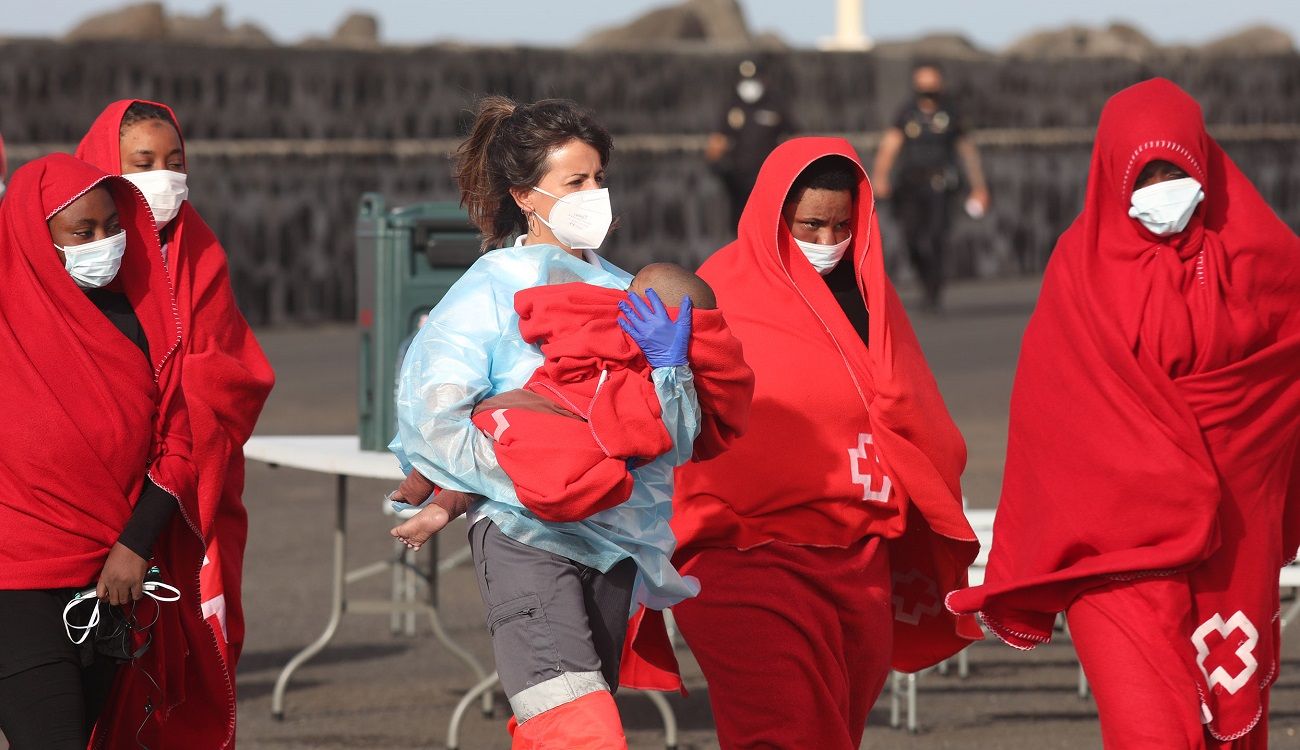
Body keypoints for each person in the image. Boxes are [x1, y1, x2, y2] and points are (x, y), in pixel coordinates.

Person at [947, 79, 1300, 748]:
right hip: (1113, 549)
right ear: (1111, 173)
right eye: (1146, 173)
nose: (1164, 187)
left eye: (1176, 169)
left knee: (1230, 734)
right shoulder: (1079, 274)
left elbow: (1285, 377)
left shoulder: (1261, 255)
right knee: (1150, 732)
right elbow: (1058, 414)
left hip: (1233, 540)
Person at [389, 96, 746, 748]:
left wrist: (674, 371)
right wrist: (536, 469)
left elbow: (677, 440)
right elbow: (431, 418)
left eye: (599, 179)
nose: (594, 195)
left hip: (615, 546)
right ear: (525, 194)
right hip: (528, 539)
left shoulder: (632, 292)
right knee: (578, 729)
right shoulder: (489, 290)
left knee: (566, 722)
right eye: (575, 182)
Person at [671, 137, 981, 749]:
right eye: (810, 224)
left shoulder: (871, 297)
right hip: (739, 556)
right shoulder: (717, 290)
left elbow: (914, 409)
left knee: (836, 730)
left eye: (842, 224)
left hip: (857, 554)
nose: (826, 239)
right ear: (775, 217)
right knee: (778, 732)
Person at [0, 153, 232, 748]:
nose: (103, 244)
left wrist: (134, 545)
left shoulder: (145, 322)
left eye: (111, 227)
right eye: (82, 233)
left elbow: (177, 441)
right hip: (14, 584)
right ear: (33, 236)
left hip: (111, 583)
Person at [76, 99, 276, 678]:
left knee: (189, 665)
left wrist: (170, 397)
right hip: (98, 488)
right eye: (142, 164)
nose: (162, 179)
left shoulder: (202, 251)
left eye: (174, 161)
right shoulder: (87, 255)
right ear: (103, 166)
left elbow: (237, 375)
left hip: (188, 483)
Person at [390, 262, 750, 547]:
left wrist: (670, 367)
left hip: (541, 414)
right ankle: (431, 490)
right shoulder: (514, 282)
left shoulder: (655, 356)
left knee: (500, 440)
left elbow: (675, 438)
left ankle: (433, 498)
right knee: (521, 453)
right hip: (551, 417)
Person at [872, 62, 989, 311]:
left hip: (940, 187)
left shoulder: (951, 114)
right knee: (912, 238)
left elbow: (968, 152)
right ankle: (925, 280)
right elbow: (890, 146)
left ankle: (933, 290)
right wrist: (880, 177)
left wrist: (979, 186)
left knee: (936, 238)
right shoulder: (906, 113)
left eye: (932, 85)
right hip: (910, 187)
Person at [705, 59, 795, 230]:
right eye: (745, 81)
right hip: (738, 180)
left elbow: (793, 137)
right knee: (740, 225)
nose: (750, 86)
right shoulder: (731, 106)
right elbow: (718, 141)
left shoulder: (775, 104)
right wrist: (716, 165)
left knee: (768, 225)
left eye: (753, 81)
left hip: (768, 179)